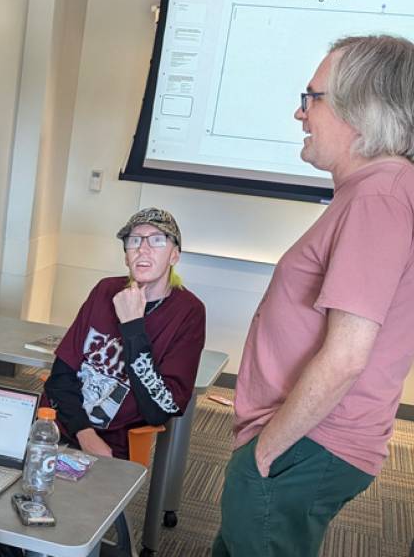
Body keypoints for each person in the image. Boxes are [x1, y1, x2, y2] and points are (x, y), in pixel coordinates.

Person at [213, 35, 414, 557]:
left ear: (360, 108)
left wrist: (266, 453)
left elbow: (346, 355)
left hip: (308, 442)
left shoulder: (379, 197)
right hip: (305, 442)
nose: (299, 114)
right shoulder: (376, 191)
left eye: (311, 97)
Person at [43, 207, 206, 556]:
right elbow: (60, 377)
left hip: (116, 447)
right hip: (61, 429)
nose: (143, 249)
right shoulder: (105, 291)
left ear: (174, 255)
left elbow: (161, 409)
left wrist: (133, 328)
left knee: (70, 530)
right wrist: (84, 434)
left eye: (157, 241)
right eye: (134, 241)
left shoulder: (188, 313)